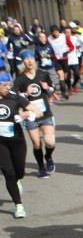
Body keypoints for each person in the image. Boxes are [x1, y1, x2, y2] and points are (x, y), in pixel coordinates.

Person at [0, 71, 43, 219]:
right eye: (4, 85)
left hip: (17, 141)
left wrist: (27, 115)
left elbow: (38, 112)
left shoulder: (15, 97)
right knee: (8, 173)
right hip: (1, 143)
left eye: (9, 84)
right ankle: (18, 205)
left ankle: (18, 179)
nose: (8, 88)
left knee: (19, 172)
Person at [13, 49, 57, 178]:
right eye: (26, 59)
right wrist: (25, 93)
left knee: (50, 141)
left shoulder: (43, 74)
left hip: (45, 114)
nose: (29, 61)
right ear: (23, 62)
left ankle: (48, 157)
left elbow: (52, 89)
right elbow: (14, 96)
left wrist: (47, 88)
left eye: (31, 58)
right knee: (36, 143)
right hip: (31, 116)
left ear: (35, 60)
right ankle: (41, 168)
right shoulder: (20, 79)